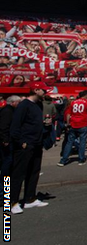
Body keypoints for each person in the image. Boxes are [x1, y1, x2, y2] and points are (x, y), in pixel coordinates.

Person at [9, 82, 52, 214]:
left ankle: (30, 198)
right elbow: (15, 126)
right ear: (36, 90)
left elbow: (34, 123)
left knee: (34, 171)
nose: (45, 93)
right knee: (18, 174)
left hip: (36, 143)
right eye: (43, 91)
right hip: (25, 144)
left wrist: (46, 124)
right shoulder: (23, 105)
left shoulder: (38, 105)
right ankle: (12, 202)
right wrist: (21, 142)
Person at [58, 90, 87, 166]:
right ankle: (81, 159)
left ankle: (63, 160)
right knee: (82, 142)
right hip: (83, 123)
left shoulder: (73, 102)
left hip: (73, 123)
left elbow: (68, 114)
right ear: (86, 95)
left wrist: (68, 124)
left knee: (69, 142)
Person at [0, 95, 20, 177]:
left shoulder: (9, 110)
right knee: (7, 163)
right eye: (18, 102)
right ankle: (5, 187)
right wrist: (5, 139)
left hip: (8, 140)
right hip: (7, 141)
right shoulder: (8, 111)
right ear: (13, 103)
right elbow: (4, 126)